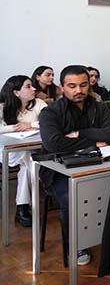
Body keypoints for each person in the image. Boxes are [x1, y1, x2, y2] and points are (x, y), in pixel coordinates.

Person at [39, 65, 110, 265]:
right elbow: (54, 143)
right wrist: (94, 141)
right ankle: (75, 244)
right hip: (58, 169)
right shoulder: (51, 112)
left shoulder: (99, 107)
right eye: (72, 86)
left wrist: (80, 134)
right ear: (62, 87)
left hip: (96, 163)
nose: (78, 90)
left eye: (83, 85)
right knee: (71, 198)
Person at [0, 76, 48, 226]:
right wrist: (16, 127)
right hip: (7, 152)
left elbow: (50, 121)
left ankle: (22, 209)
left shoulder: (39, 103)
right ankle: (23, 208)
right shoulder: (2, 107)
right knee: (29, 160)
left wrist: (30, 125)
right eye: (28, 86)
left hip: (33, 149)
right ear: (16, 92)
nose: (34, 89)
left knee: (27, 164)